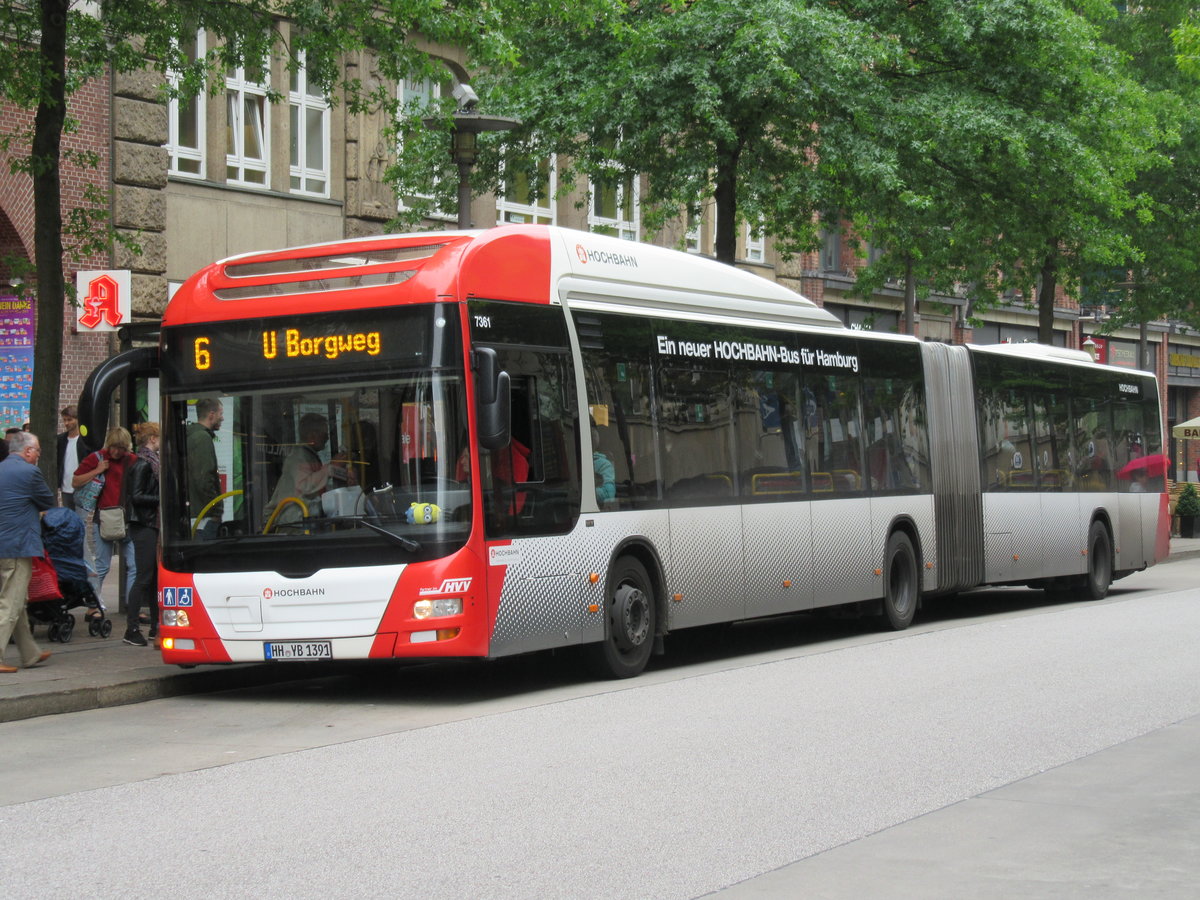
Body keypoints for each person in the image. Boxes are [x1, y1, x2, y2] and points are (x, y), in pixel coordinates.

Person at [0, 431, 54, 673]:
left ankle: (30, 653)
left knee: (18, 599)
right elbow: (47, 500)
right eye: (38, 451)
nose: (38, 455)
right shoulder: (29, 472)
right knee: (10, 602)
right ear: (28, 451)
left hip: (4, 544)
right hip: (17, 544)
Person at [73, 426, 136, 598]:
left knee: (134, 566)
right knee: (102, 566)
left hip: (125, 520)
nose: (116, 452)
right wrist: (97, 470)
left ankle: (131, 607)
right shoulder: (97, 458)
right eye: (114, 447)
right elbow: (76, 481)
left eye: (121, 448)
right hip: (103, 519)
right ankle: (94, 605)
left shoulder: (131, 460)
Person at [264, 413, 354, 529]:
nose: (327, 438)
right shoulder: (298, 457)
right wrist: (331, 466)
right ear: (312, 435)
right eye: (325, 434)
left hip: (304, 519)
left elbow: (316, 486)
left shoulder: (309, 455)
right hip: (294, 523)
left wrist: (344, 475)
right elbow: (305, 486)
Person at [122, 422, 160, 646]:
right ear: (153, 439)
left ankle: (155, 627)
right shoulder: (144, 464)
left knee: (153, 578)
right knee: (144, 577)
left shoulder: (147, 462)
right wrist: (161, 499)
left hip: (148, 524)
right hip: (143, 524)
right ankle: (131, 629)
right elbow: (136, 496)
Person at [186, 398, 224, 539]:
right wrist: (215, 509)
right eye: (221, 413)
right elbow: (204, 479)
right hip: (204, 517)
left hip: (197, 515)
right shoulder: (202, 438)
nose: (223, 418)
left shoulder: (192, 435)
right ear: (211, 415)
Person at [55, 405, 91, 510]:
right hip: (65, 486)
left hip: (82, 487)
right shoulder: (60, 440)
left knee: (80, 520)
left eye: (70, 420)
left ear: (77, 419)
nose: (66, 423)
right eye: (64, 420)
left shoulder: (85, 441)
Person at [592, 422, 615, 506]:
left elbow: (609, 495)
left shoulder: (604, 464)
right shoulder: (575, 461)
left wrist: (590, 491)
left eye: (593, 434)